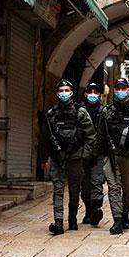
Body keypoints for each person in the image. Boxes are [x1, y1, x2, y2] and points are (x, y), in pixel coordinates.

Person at [41, 79, 96, 235]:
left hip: (76, 158)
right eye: (61, 90)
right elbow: (45, 138)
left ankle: (72, 219)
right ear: (57, 93)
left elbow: (91, 136)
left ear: (71, 93)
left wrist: (84, 155)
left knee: (74, 190)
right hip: (57, 158)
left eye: (67, 90)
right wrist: (43, 159)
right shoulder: (51, 114)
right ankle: (58, 221)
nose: (64, 93)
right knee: (58, 189)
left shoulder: (80, 112)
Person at [95, 78, 129, 234]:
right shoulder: (106, 111)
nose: (120, 90)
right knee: (113, 188)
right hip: (111, 155)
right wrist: (96, 156)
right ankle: (117, 220)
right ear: (114, 90)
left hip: (128, 155)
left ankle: (125, 214)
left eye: (123, 87)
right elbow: (100, 134)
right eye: (118, 88)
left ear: (128, 89)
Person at [80, 82, 105, 226]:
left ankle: (96, 208)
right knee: (85, 185)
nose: (93, 94)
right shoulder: (80, 111)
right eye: (90, 91)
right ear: (85, 93)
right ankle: (88, 209)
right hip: (83, 153)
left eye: (96, 92)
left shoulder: (104, 112)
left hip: (99, 154)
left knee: (97, 181)